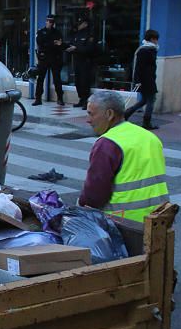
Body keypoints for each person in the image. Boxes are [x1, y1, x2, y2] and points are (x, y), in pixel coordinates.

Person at [79, 91, 169, 224]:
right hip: (159, 217)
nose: (88, 119)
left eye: (91, 114)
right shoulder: (149, 137)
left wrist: (80, 207)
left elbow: (95, 195)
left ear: (109, 114)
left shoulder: (107, 143)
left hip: (124, 222)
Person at [125, 29, 160, 130]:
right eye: (155, 39)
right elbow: (139, 67)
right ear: (151, 39)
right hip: (146, 79)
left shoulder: (150, 49)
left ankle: (127, 114)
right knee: (151, 100)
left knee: (144, 100)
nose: (157, 41)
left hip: (148, 78)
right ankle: (146, 121)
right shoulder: (145, 50)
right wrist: (137, 80)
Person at [68, 15, 99, 109]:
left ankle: (86, 101)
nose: (78, 25)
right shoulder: (77, 34)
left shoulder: (90, 35)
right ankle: (81, 99)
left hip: (86, 61)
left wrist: (76, 49)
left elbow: (89, 49)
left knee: (84, 81)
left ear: (85, 24)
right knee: (77, 81)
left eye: (80, 23)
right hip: (77, 61)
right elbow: (72, 43)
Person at [34, 14, 66, 106]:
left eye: (52, 22)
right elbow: (40, 43)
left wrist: (50, 44)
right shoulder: (41, 32)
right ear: (46, 21)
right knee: (40, 79)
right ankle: (38, 98)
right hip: (44, 58)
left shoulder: (57, 32)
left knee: (57, 79)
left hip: (54, 58)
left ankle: (60, 98)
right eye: (48, 21)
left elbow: (60, 44)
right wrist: (53, 43)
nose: (50, 23)